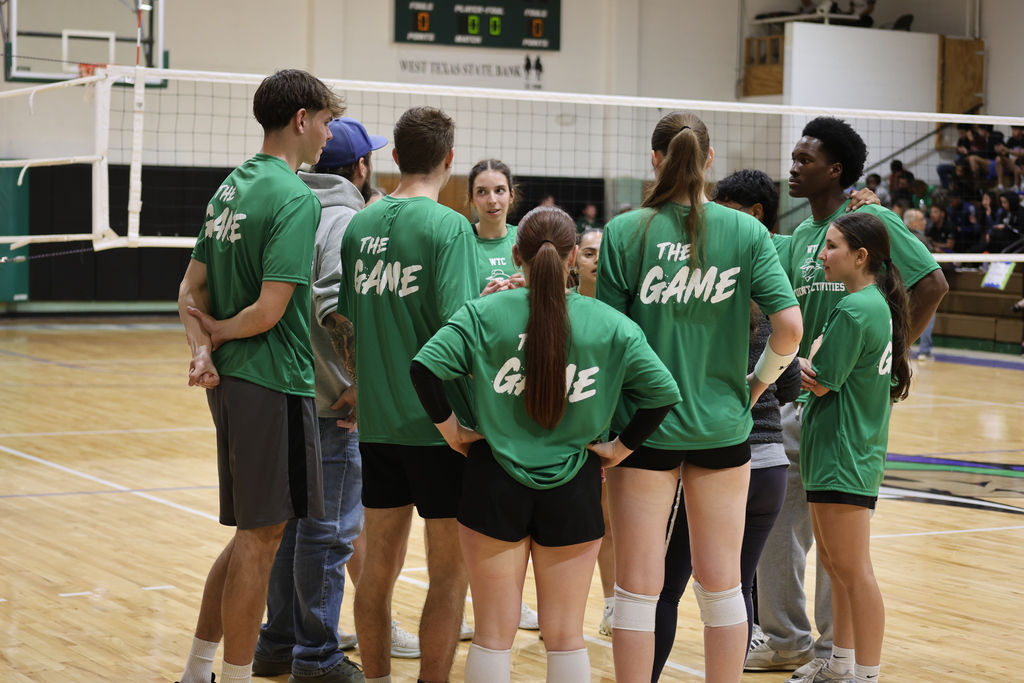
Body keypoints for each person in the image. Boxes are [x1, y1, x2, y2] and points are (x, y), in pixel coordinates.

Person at [409, 206, 681, 683]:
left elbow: (423, 368)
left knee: (494, 634)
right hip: (574, 484)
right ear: (574, 256)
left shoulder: (485, 311)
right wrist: (620, 449)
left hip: (492, 479)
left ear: (517, 256)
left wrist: (451, 430)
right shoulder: (609, 324)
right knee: (565, 636)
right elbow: (662, 393)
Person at [598, 111, 804, 683]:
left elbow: (610, 341)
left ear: (656, 159)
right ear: (709, 161)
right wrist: (756, 385)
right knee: (724, 587)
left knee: (637, 589)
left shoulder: (625, 232)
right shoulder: (747, 232)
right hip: (724, 426)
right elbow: (789, 327)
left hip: (643, 429)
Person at [755, 116, 946, 683]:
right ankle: (788, 641)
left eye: (804, 159)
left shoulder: (867, 221)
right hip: (800, 393)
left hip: (838, 397)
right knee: (779, 525)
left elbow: (931, 283)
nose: (792, 167)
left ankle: (842, 654)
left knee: (842, 546)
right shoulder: (801, 237)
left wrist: (880, 359)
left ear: (835, 170)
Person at [175, 69, 345, 683]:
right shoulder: (295, 197)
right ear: (301, 118)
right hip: (272, 380)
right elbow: (271, 310)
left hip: (237, 382)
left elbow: (187, 291)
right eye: (326, 121)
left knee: (256, 531)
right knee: (260, 541)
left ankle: (199, 669)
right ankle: (235, 674)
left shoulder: (230, 187)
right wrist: (216, 335)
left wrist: (201, 347)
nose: (329, 134)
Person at [335, 105, 478, 683]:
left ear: (394, 156)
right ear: (450, 158)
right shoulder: (448, 228)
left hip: (379, 427)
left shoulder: (360, 225)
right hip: (441, 429)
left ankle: (376, 680)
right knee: (448, 577)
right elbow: (460, 335)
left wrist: (362, 389)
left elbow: (344, 325)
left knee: (377, 572)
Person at [651, 169, 802, 683]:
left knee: (665, 589)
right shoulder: (763, 298)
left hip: (723, 460)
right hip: (772, 468)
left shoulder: (709, 314)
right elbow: (792, 384)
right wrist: (759, 387)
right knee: (736, 590)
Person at [249, 116, 386, 683]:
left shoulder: (286, 205)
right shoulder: (347, 219)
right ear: (360, 168)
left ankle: (277, 643)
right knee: (327, 533)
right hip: (329, 403)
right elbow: (334, 300)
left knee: (288, 527)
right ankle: (317, 657)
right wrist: (358, 380)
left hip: (281, 390)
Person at [801, 212, 913, 683]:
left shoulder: (855, 309)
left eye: (831, 247)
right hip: (840, 452)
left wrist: (806, 361)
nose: (822, 255)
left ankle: (865, 673)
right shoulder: (870, 304)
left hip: (843, 456)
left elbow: (820, 381)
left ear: (860, 256)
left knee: (854, 571)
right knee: (836, 565)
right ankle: (841, 664)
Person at [568, 226, 617, 635]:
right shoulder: (560, 308)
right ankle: (562, 611)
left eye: (603, 252)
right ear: (574, 260)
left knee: (610, 522)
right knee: (575, 529)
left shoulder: (623, 311)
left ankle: (613, 605)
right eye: (588, 253)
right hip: (570, 433)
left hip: (612, 431)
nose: (596, 260)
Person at [469, 159, 525, 295]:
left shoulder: (525, 239)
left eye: (499, 190)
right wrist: (480, 302)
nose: (492, 200)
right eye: (482, 192)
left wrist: (529, 292)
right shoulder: (461, 242)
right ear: (471, 199)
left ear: (511, 195)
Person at [901, 209, 937, 360]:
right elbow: (933, 264)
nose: (925, 222)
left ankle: (899, 350)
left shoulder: (899, 237)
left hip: (900, 285)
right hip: (919, 286)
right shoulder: (920, 238)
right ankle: (924, 350)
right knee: (929, 314)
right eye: (922, 219)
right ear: (913, 223)